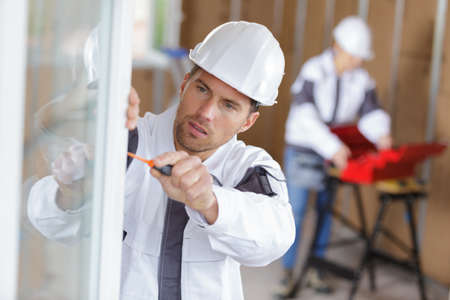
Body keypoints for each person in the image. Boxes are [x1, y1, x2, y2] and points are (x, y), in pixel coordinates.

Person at [27, 21, 295, 300]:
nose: (206, 113)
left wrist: (210, 202)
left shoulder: (249, 169)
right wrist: (69, 193)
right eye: (202, 89)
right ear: (183, 85)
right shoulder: (128, 140)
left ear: (248, 122)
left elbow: (275, 240)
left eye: (228, 105)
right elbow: (45, 220)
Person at [278, 16, 392, 295]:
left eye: (359, 57)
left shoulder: (361, 80)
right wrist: (332, 147)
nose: (356, 62)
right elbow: (305, 115)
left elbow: (371, 113)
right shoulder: (313, 71)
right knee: (296, 211)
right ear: (337, 47)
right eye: (352, 55)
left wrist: (381, 135)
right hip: (305, 150)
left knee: (326, 212)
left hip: (334, 153)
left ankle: (317, 269)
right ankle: (289, 272)